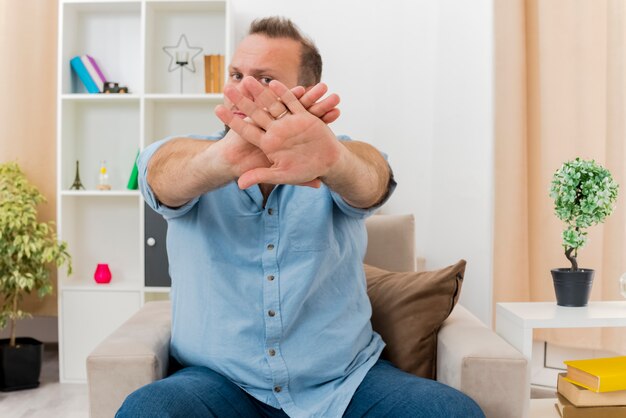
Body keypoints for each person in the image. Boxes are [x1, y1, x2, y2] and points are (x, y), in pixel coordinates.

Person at [117, 17, 485, 418]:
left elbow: (373, 180)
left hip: (346, 381)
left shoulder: (337, 157)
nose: (242, 90)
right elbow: (162, 177)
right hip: (218, 383)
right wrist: (224, 158)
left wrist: (334, 161)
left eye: (262, 79)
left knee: (451, 412)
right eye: (236, 74)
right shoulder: (193, 155)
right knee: (148, 410)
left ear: (304, 95)